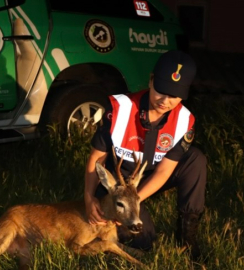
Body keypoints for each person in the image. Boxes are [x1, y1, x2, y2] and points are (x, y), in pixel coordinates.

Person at [84, 50, 207, 261]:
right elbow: (97, 158)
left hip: (150, 177)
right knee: (143, 240)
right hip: (119, 182)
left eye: (174, 95)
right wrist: (88, 197)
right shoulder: (119, 109)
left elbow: (164, 170)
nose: (165, 101)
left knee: (196, 159)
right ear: (151, 80)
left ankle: (187, 239)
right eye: (161, 90)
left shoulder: (185, 122)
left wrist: (135, 200)